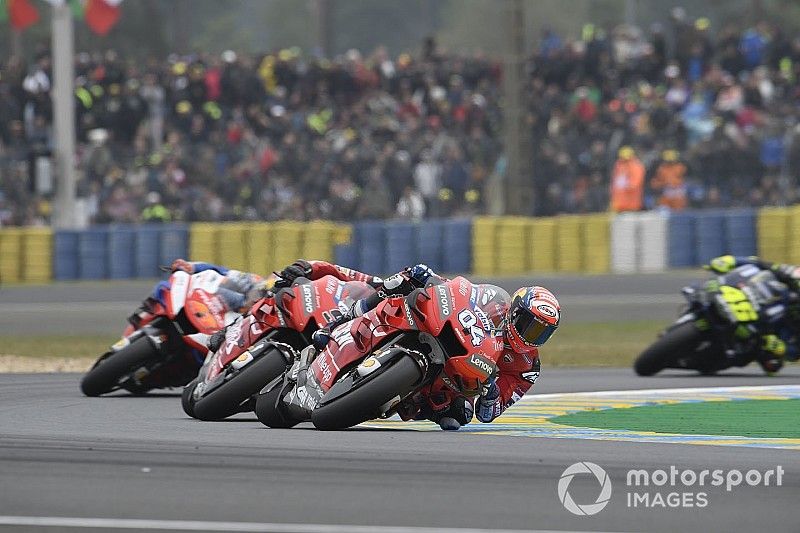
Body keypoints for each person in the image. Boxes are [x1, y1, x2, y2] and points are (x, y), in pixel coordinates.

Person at [274, 260, 560, 430]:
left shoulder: (526, 368)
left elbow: (489, 414)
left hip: (453, 382)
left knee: (458, 417)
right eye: (529, 325)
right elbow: (460, 294)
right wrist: (430, 279)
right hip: (443, 335)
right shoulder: (494, 304)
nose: (531, 335)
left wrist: (491, 388)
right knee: (402, 286)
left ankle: (387, 396)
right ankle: (344, 320)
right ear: (515, 312)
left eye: (541, 333)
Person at [705, 254, 800, 373]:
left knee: (773, 365)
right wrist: (732, 261)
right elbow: (761, 264)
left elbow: (795, 353)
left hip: (767, 334)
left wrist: (783, 348)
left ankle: (716, 357)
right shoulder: (795, 275)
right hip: (754, 300)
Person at [128, 259, 274, 330]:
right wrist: (192, 267)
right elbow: (220, 270)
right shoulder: (252, 279)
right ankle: (144, 312)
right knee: (166, 285)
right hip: (204, 298)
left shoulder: (266, 317)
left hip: (222, 325)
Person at [609, 146, 645, 212]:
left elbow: (635, 184)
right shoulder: (618, 165)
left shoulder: (636, 166)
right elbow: (614, 183)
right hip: (618, 203)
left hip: (631, 204)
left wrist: (626, 185)